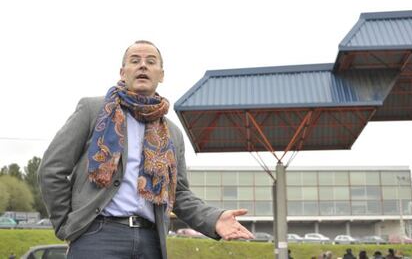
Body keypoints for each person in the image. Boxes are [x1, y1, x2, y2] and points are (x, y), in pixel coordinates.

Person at [38, 40, 254, 259]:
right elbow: (52, 169)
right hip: (97, 236)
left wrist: (214, 218)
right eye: (135, 61)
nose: (143, 66)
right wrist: (67, 223)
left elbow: (178, 194)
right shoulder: (93, 111)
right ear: (123, 72)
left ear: (161, 75)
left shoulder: (172, 133)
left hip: (150, 242)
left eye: (151, 62)